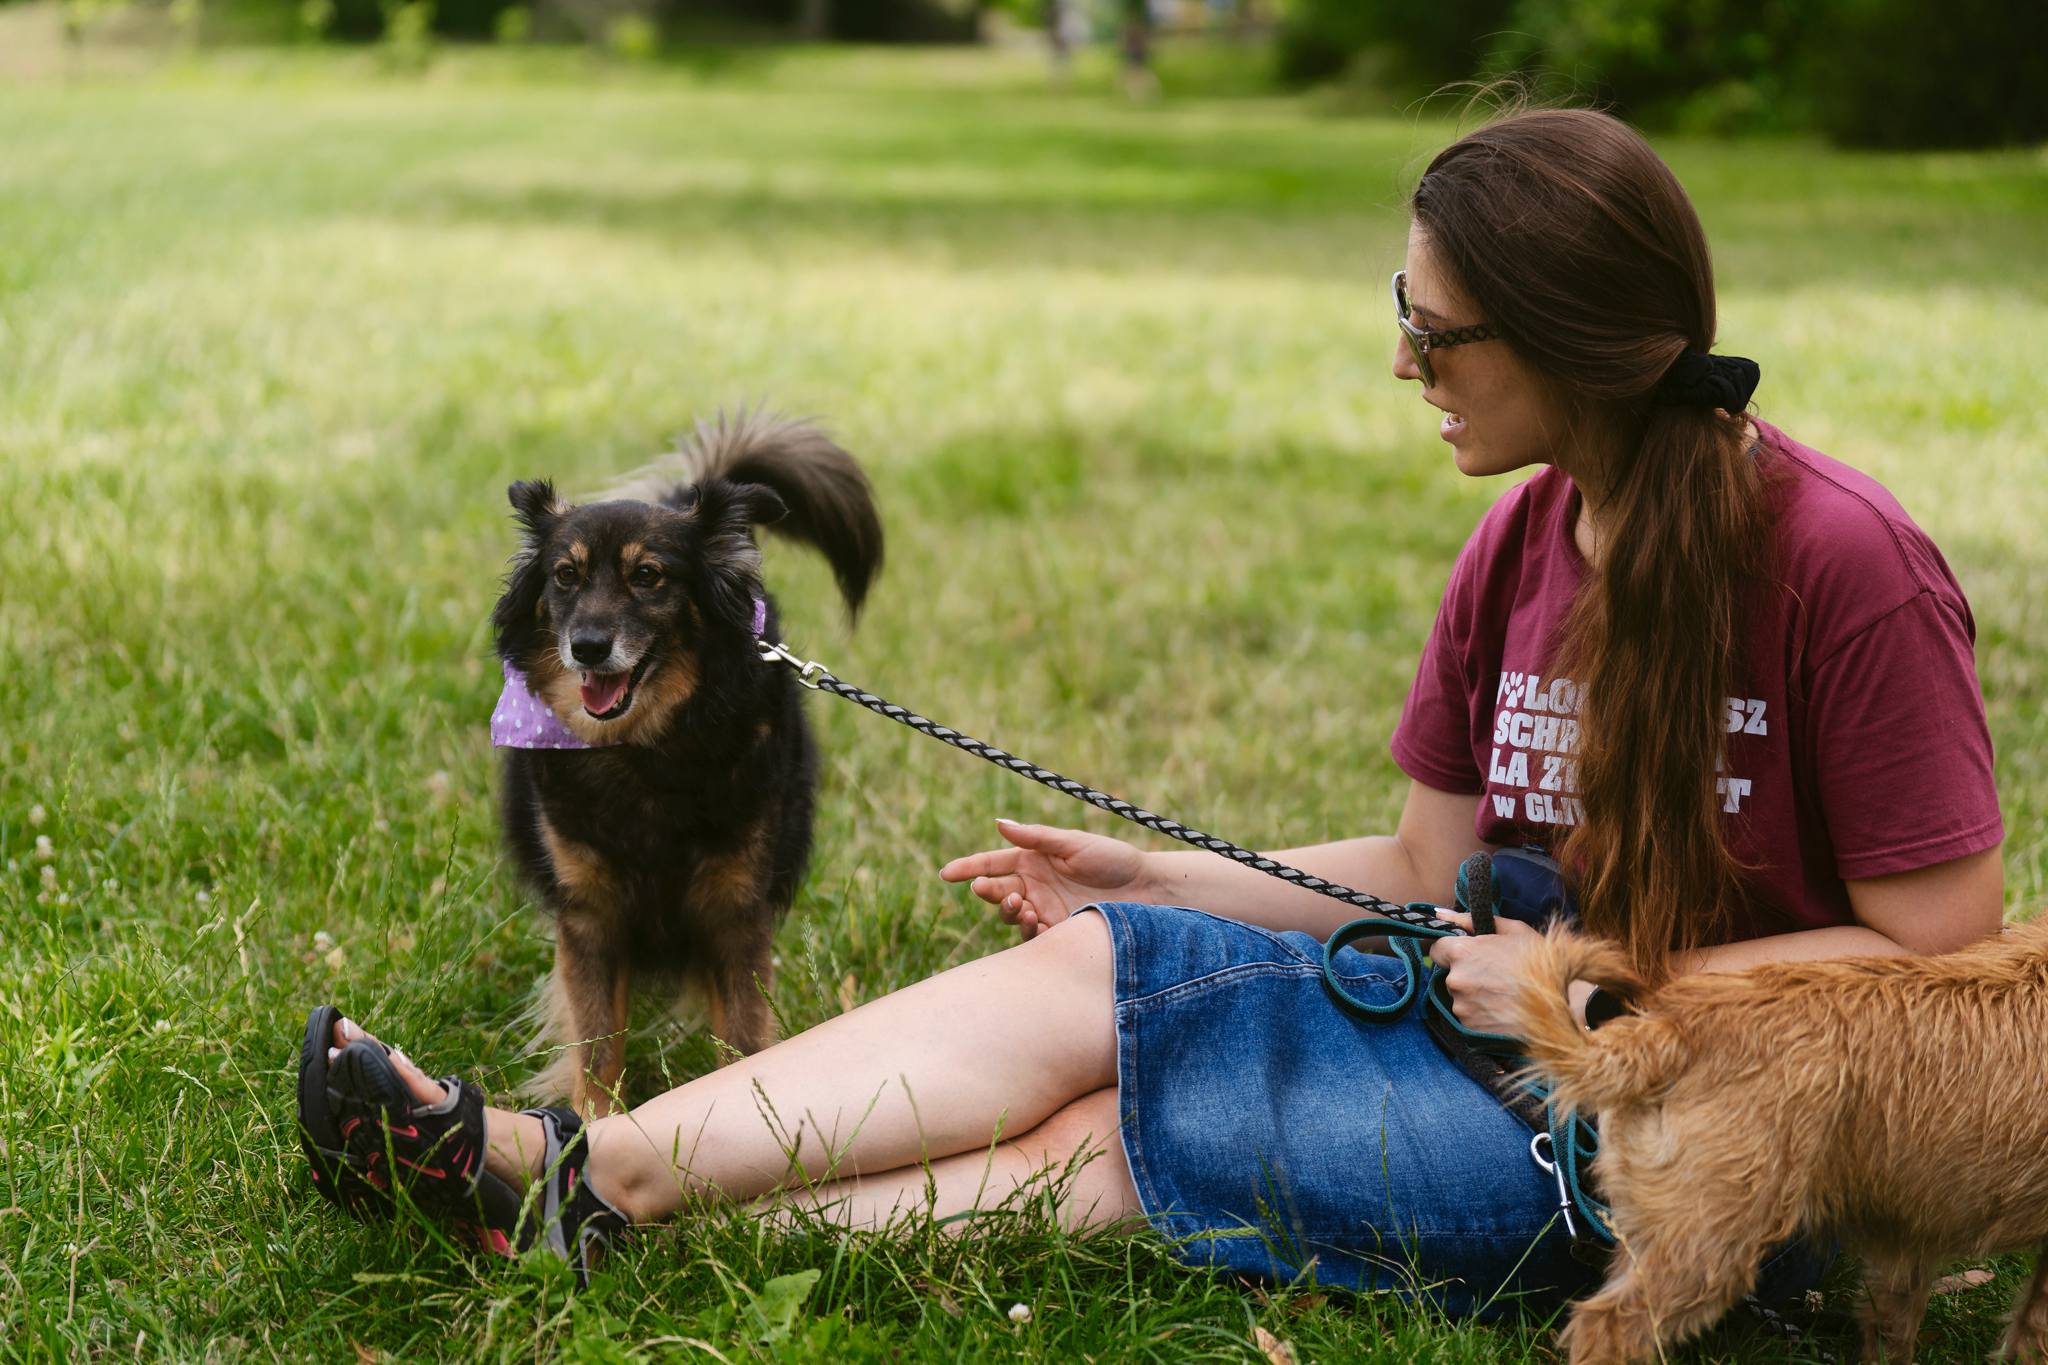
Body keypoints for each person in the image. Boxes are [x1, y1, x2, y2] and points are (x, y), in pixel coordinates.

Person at [298, 107, 2006, 1314]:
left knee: (1128, 1135)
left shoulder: (1844, 564)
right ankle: (571, 1165)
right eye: (1400, 317)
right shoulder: (1523, 538)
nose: (1405, 365)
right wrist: (1155, 879)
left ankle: (599, 1203)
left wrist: (1604, 987)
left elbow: (1944, 947)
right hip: (1484, 1012)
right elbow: (1424, 858)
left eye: (1439, 331)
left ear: (1570, 339)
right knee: (1089, 970)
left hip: (1704, 1149)